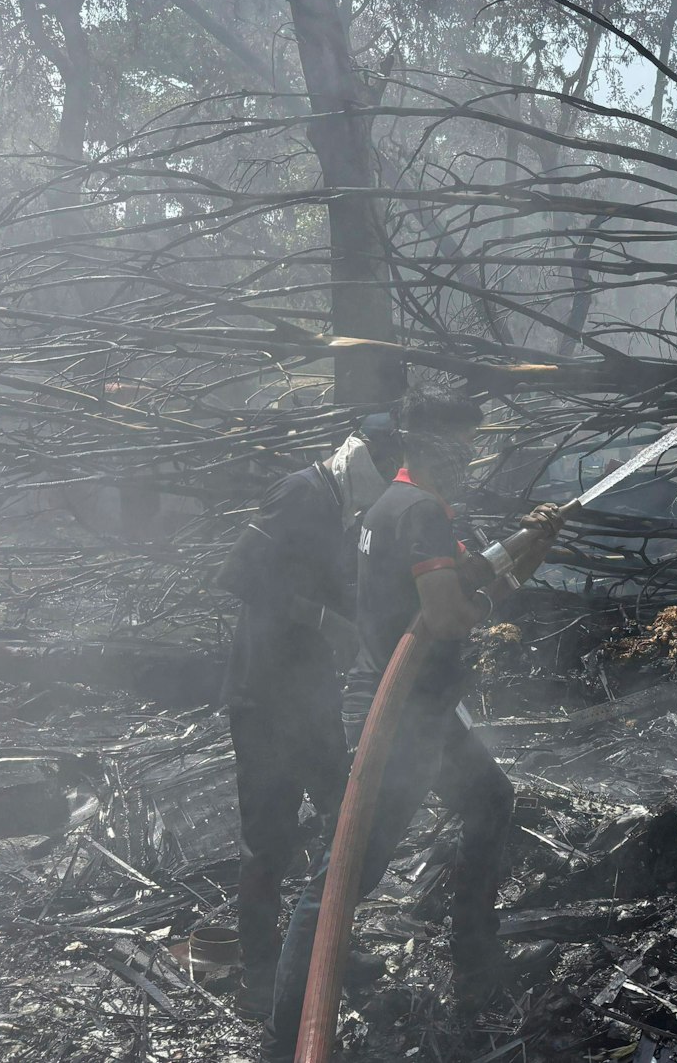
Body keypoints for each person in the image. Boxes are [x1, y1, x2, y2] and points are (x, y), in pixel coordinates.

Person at [262, 388, 566, 1060]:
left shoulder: (392, 505)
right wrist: (487, 591)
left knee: (489, 798)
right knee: (343, 876)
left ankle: (477, 965)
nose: (468, 458)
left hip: (415, 711)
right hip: (396, 723)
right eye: (461, 445)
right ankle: (288, 1039)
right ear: (429, 444)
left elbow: (465, 588)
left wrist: (534, 546)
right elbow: (451, 614)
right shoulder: (422, 511)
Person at [216, 414, 401, 1015]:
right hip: (266, 698)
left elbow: (341, 590)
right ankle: (262, 973)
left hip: (311, 697)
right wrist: (323, 620)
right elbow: (240, 575)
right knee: (269, 840)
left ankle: (326, 952)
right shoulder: (301, 492)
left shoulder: (342, 512)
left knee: (341, 820)